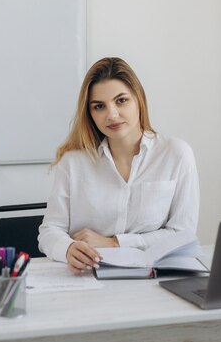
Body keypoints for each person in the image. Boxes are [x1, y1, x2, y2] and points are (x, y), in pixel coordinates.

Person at [38, 57, 199, 274]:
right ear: (90, 113)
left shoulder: (176, 154)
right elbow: (50, 230)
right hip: (87, 277)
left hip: (154, 279)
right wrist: (67, 248)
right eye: (99, 106)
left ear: (139, 99)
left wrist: (115, 242)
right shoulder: (73, 162)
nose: (112, 115)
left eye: (121, 100)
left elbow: (182, 234)